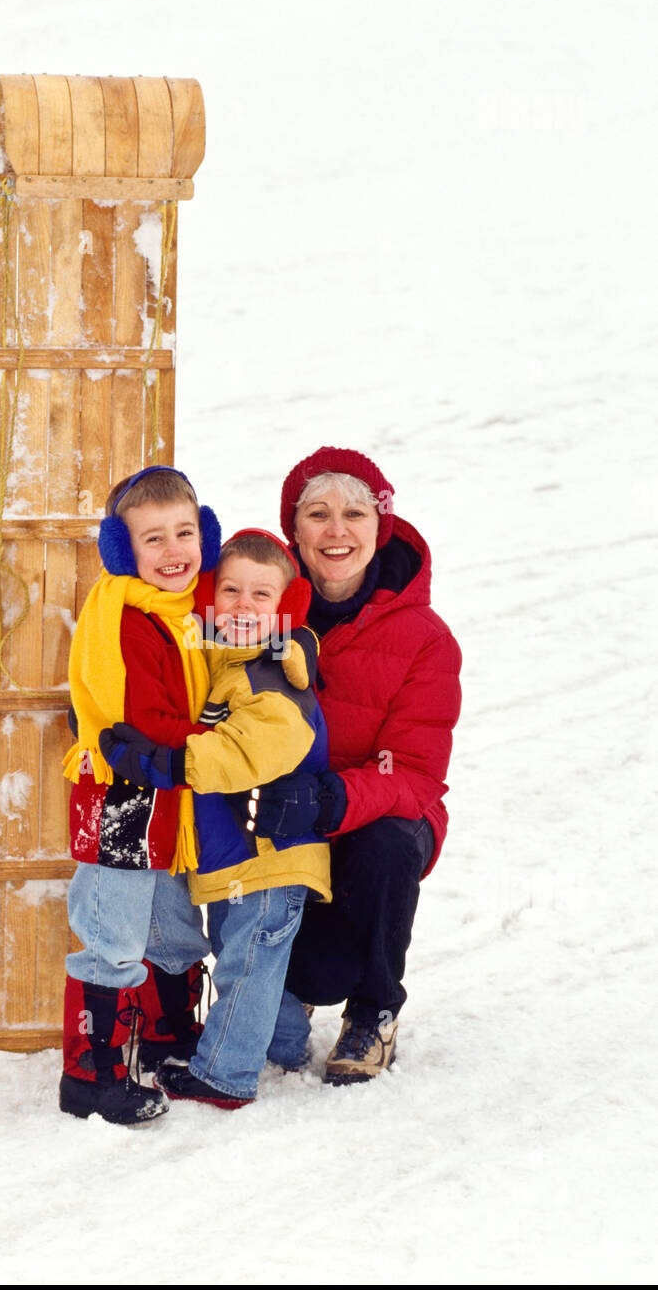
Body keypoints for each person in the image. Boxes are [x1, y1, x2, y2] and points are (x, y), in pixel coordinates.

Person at [250, 447, 462, 1085]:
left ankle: (374, 1010)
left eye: (353, 514)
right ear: (295, 529)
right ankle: (288, 985)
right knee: (317, 970)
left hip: (368, 819)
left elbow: (418, 773)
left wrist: (331, 798)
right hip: (283, 817)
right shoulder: (258, 610)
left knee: (390, 842)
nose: (336, 531)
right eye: (317, 514)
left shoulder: (425, 638)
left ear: (381, 526)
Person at [100, 530, 331, 1107]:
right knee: (247, 957)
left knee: (246, 961)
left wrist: (170, 762)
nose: (244, 606)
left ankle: (225, 1073)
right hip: (238, 857)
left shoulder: (275, 673)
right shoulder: (219, 660)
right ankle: (282, 1044)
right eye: (230, 590)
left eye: (261, 594)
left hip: (273, 854)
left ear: (287, 606)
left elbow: (254, 748)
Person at [58, 465, 220, 1126]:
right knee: (116, 931)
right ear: (124, 551)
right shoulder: (124, 612)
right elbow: (144, 718)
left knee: (174, 926)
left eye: (185, 532)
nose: (174, 550)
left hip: (173, 794)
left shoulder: (195, 609)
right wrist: (217, 733)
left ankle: (168, 1037)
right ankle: (91, 1075)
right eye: (153, 539)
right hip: (124, 792)